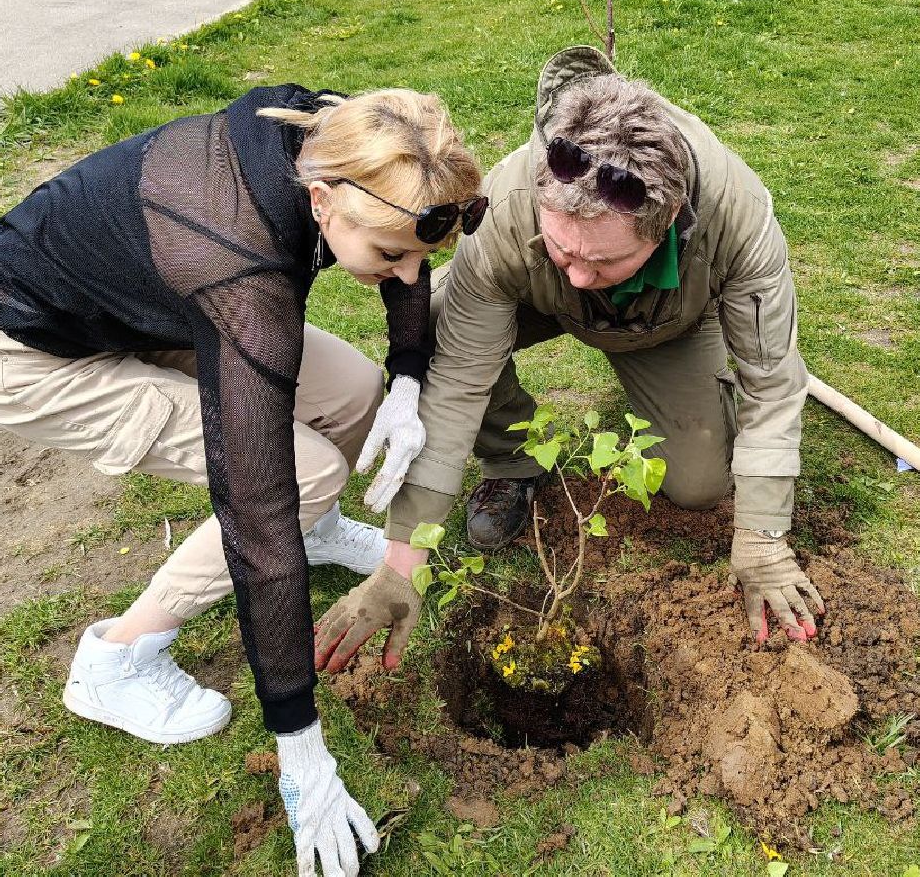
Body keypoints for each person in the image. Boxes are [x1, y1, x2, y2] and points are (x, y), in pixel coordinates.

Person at [0, 84, 483, 875]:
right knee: (301, 474)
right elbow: (256, 512)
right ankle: (117, 659)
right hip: (28, 354)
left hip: (142, 301)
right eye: (390, 257)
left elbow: (410, 233)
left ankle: (318, 529)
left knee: (352, 392)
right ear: (321, 202)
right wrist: (301, 750)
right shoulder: (245, 275)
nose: (408, 272)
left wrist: (403, 377)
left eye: (423, 255)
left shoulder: (336, 131)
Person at [312, 45, 825, 677]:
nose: (581, 277)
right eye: (562, 246)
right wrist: (402, 563)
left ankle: (683, 374)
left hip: (669, 322)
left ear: (664, 225)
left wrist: (763, 540)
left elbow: (772, 386)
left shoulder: (737, 223)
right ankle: (512, 461)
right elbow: (454, 388)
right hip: (534, 297)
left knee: (699, 487)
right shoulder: (509, 209)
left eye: (603, 261)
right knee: (444, 332)